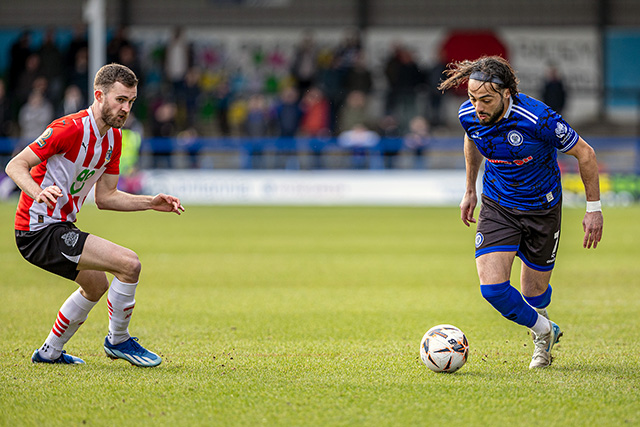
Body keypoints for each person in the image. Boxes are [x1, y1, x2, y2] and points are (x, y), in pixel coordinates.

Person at [5, 63, 184, 367]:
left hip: (59, 226)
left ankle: (49, 352)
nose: (126, 108)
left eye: (131, 101)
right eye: (120, 100)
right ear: (99, 95)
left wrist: (150, 203)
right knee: (129, 264)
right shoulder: (69, 128)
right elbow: (15, 165)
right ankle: (118, 341)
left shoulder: (113, 140)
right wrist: (37, 193)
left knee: (96, 285)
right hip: (37, 230)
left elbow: (106, 197)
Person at [437, 56, 603, 369]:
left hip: (542, 208)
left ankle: (540, 318)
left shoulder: (538, 118)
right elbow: (472, 138)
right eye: (472, 99)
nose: (478, 107)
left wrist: (593, 208)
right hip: (498, 205)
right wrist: (470, 189)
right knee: (493, 289)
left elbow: (586, 153)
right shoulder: (470, 116)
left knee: (533, 291)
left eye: (485, 100)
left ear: (507, 94)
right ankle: (544, 333)